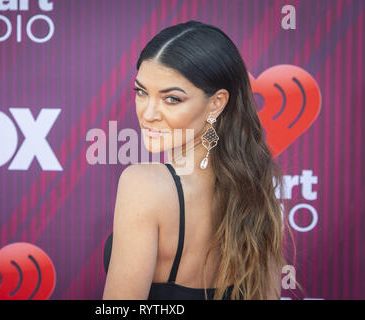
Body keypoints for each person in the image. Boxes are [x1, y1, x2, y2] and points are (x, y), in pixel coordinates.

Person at [102, 20, 295, 300]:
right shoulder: (259, 187)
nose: (148, 113)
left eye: (172, 99)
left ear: (216, 103)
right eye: (141, 92)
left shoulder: (143, 184)